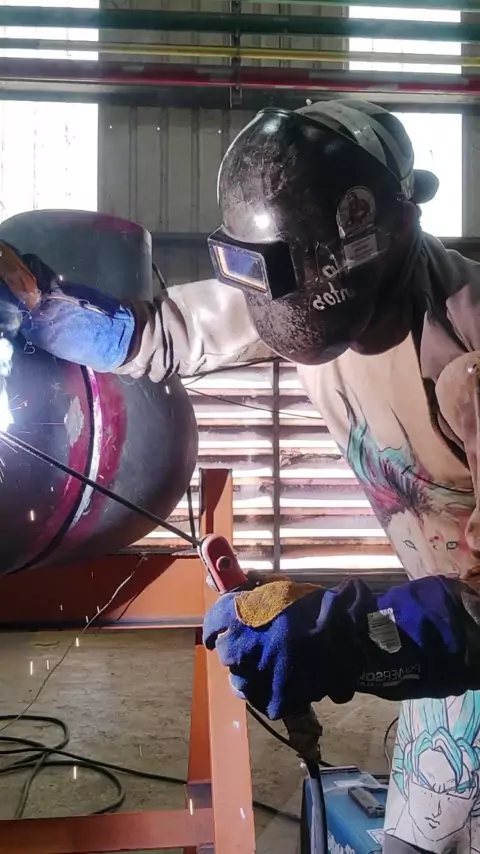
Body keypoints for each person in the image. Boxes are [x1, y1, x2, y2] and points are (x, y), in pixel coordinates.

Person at [2, 99, 480, 853]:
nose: (269, 302)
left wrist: (348, 633)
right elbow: (169, 332)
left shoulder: (466, 352)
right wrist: (51, 312)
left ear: (367, 236)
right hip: (440, 677)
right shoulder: (290, 276)